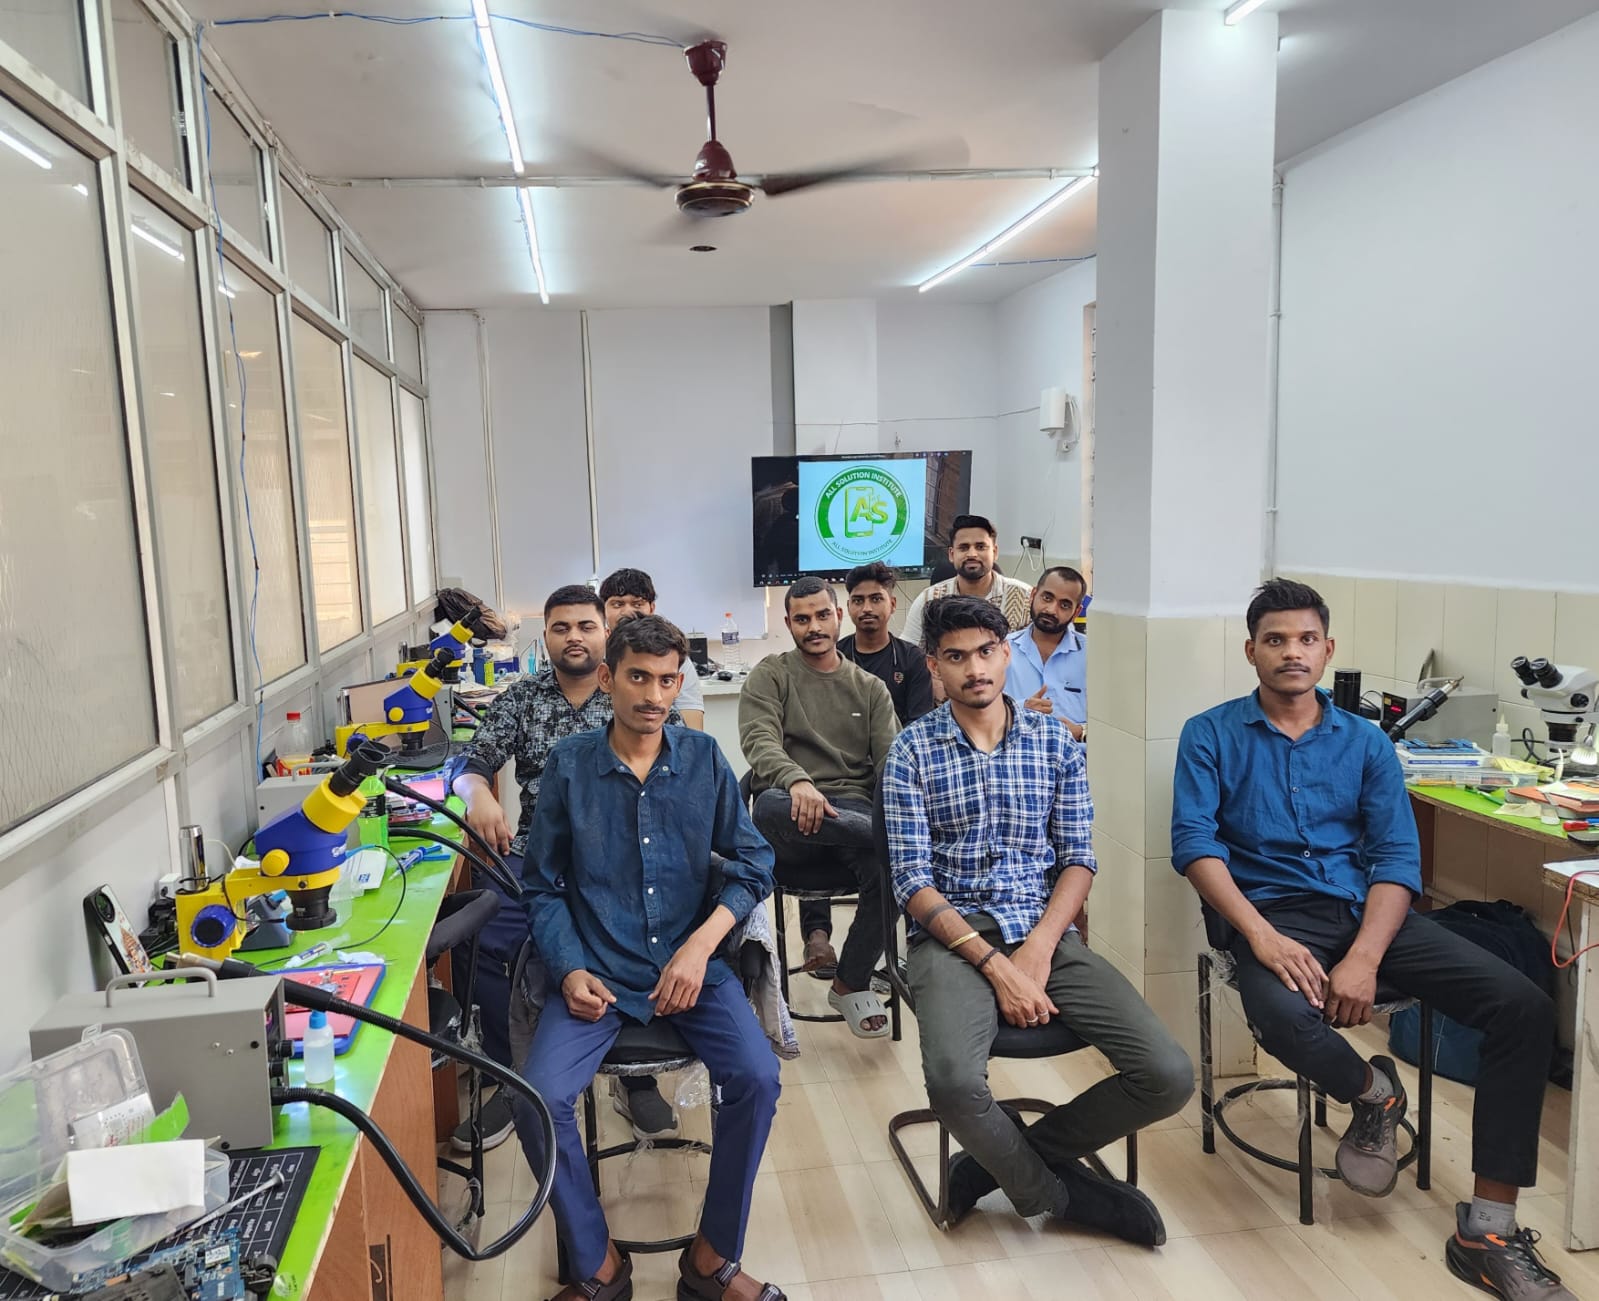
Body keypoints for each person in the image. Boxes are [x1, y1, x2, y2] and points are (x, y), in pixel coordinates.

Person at [1172, 578, 1570, 1301]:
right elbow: (1195, 845)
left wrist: (1363, 956)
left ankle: (1486, 1228)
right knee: (1285, 1014)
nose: (1290, 652)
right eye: (1274, 640)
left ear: (1327, 648)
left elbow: (1395, 860)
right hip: (1267, 915)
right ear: (1250, 650)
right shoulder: (1210, 733)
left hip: (1361, 913)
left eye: (1304, 639)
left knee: (1521, 1005)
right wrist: (1258, 937)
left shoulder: (1364, 742)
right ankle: (1373, 1091)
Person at [883, 596, 1191, 1243]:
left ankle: (994, 1161)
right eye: (956, 656)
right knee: (953, 1082)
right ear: (934, 665)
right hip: (951, 939)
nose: (975, 668)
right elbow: (912, 881)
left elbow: (1078, 858)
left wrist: (1039, 949)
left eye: (986, 651)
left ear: (1006, 652)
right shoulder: (910, 751)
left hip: (1042, 929)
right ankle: (1057, 1192)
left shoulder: (1054, 741)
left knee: (1166, 1074)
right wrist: (997, 966)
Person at [514, 616, 785, 1301]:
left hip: (691, 972)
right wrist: (569, 966)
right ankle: (598, 1264)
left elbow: (754, 858)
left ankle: (711, 1258)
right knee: (538, 1099)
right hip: (597, 973)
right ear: (607, 677)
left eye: (669, 678)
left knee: (756, 1076)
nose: (655, 693)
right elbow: (541, 883)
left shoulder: (701, 759)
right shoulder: (570, 766)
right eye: (639, 676)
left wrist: (700, 945)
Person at [448, 585, 683, 1150]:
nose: (574, 637)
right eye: (560, 628)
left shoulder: (633, 692)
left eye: (585, 626)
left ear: (606, 632)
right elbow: (471, 762)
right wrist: (477, 794)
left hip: (624, 862)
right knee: (471, 938)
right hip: (538, 858)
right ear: (546, 636)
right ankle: (513, 1076)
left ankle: (638, 1076)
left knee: (637, 939)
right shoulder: (523, 698)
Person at [738, 576, 899, 1038]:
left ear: (838, 616)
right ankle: (893, 840)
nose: (813, 626)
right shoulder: (771, 675)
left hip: (851, 812)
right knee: (766, 805)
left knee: (889, 871)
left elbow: (892, 763)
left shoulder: (870, 689)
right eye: (802, 619)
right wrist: (799, 782)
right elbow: (758, 740)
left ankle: (850, 981)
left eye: (822, 615)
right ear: (788, 623)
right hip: (791, 817)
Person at [901, 514, 1033, 649]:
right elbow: (908, 655)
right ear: (951, 554)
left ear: (995, 552)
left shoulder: (1025, 598)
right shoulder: (928, 600)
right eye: (963, 548)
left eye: (980, 547)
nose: (972, 554)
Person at [598, 567, 705, 729]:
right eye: (617, 604)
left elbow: (692, 731)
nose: (627, 612)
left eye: (637, 604)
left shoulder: (674, 659)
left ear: (652, 609)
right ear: (603, 610)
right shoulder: (593, 656)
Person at [838, 562, 935, 727]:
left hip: (899, 749)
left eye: (876, 599)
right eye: (858, 600)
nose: (867, 608)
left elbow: (919, 725)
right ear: (848, 607)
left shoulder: (912, 659)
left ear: (893, 604)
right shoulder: (835, 656)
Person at [1003, 566, 1088, 741]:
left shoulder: (1093, 655)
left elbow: (1119, 722)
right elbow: (980, 711)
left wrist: (1081, 731)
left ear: (1076, 612)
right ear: (1033, 595)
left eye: (1064, 605)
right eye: (1047, 598)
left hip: (1079, 760)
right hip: (1017, 760)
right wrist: (1021, 709)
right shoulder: (1001, 649)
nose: (1051, 610)